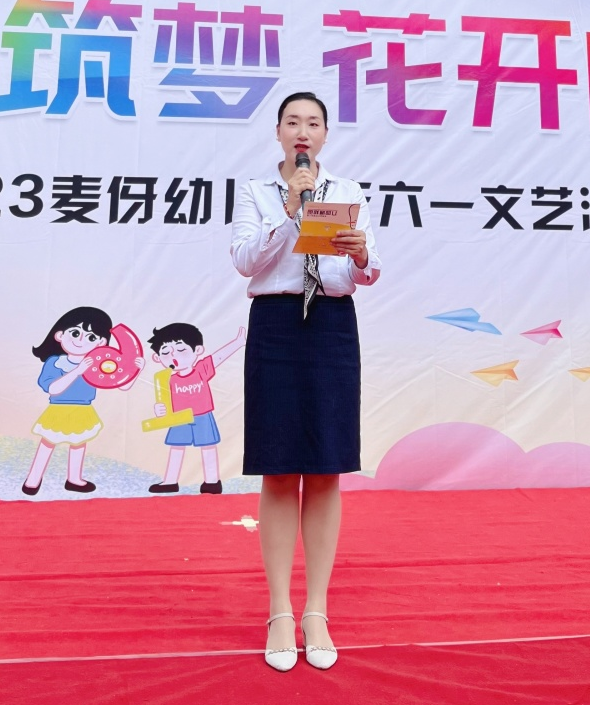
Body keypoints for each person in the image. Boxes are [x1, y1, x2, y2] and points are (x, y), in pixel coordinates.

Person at [230, 91, 382, 671]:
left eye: (313, 122)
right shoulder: (257, 191)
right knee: (278, 468)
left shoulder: (348, 191)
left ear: (324, 134)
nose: (302, 131)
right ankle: (279, 610)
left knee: (324, 468)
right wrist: (291, 214)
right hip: (275, 326)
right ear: (277, 132)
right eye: (292, 121)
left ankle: (316, 610)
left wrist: (361, 254)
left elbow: (366, 272)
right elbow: (245, 261)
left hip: (331, 327)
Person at [23, 306, 144, 495]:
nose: (81, 340)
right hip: (58, 410)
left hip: (83, 410)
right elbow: (52, 388)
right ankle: (33, 479)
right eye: (75, 333)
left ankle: (74, 479)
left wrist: (135, 371)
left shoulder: (98, 363)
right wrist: (77, 371)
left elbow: (122, 385)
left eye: (91, 337)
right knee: (48, 443)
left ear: (102, 342)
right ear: (60, 335)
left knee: (78, 444)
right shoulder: (55, 362)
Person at [146, 322, 246, 494]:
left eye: (181, 349)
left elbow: (218, 357)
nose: (174, 356)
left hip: (202, 416)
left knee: (208, 447)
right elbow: (163, 401)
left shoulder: (201, 370)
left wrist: (238, 342)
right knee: (176, 448)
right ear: (157, 358)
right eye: (166, 353)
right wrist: (159, 409)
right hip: (179, 418)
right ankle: (170, 481)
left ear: (197, 350)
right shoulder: (166, 379)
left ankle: (212, 481)